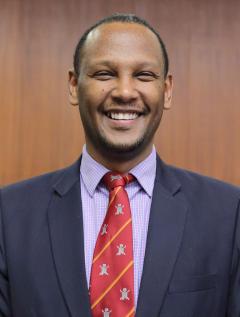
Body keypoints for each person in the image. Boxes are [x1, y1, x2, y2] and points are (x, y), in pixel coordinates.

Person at [0, 13, 239, 317]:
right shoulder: (8, 216)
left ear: (166, 90)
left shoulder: (229, 214)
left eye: (143, 75)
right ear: (74, 85)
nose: (125, 92)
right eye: (104, 74)